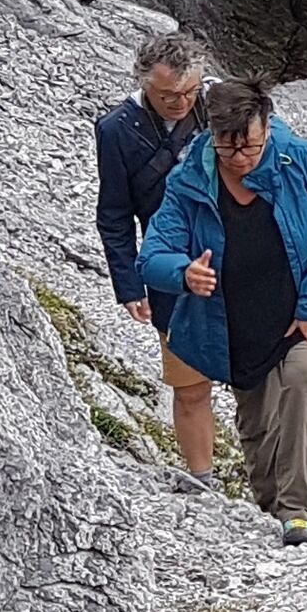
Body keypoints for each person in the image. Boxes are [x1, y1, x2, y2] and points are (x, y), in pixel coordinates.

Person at [140, 77, 307, 542]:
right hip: (235, 325)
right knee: (258, 425)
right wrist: (183, 273)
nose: (241, 159)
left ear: (267, 124)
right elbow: (154, 252)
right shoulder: (188, 182)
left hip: (305, 315)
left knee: (306, 378)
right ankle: (270, 504)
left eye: (251, 147)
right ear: (210, 134)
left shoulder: (301, 160)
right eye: (228, 150)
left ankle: (300, 510)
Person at [94, 29, 219, 480]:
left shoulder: (224, 108)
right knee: (189, 384)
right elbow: (114, 214)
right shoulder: (115, 130)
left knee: (261, 380)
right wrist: (128, 284)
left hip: (234, 258)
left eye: (190, 92)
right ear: (145, 82)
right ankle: (201, 478)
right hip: (166, 268)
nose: (181, 103)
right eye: (169, 95)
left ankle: (277, 479)